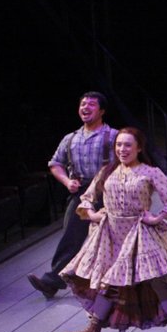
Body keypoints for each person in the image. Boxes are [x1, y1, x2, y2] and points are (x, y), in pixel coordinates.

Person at [60, 127, 167, 332]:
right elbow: (87, 198)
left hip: (139, 232)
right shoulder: (107, 171)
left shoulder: (150, 172)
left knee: (158, 279)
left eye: (127, 145)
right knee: (109, 281)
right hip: (111, 234)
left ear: (139, 148)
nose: (122, 149)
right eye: (118, 145)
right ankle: (92, 329)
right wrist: (92, 214)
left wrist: (156, 218)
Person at [28, 92, 118, 300]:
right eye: (83, 104)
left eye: (92, 105)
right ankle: (51, 282)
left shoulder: (112, 136)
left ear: (102, 111)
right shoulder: (70, 139)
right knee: (71, 237)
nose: (86, 107)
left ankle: (124, 282)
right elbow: (55, 163)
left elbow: (128, 162)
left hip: (108, 193)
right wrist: (67, 181)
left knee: (116, 239)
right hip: (81, 194)